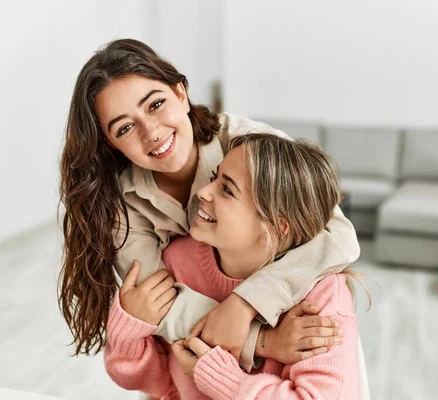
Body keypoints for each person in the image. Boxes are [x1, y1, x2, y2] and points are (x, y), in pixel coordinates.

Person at [58, 39, 360, 371]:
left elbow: (339, 234)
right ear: (111, 143)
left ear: (180, 93)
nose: (152, 132)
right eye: (125, 128)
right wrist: (261, 341)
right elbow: (160, 303)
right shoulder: (123, 205)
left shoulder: (248, 143)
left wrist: (247, 302)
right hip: (199, 363)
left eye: (155, 104)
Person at [105, 134, 360, 399]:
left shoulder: (323, 299)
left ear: (276, 226)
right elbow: (149, 382)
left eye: (227, 189)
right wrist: (129, 331)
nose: (203, 192)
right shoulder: (175, 262)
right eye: (215, 177)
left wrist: (216, 375)